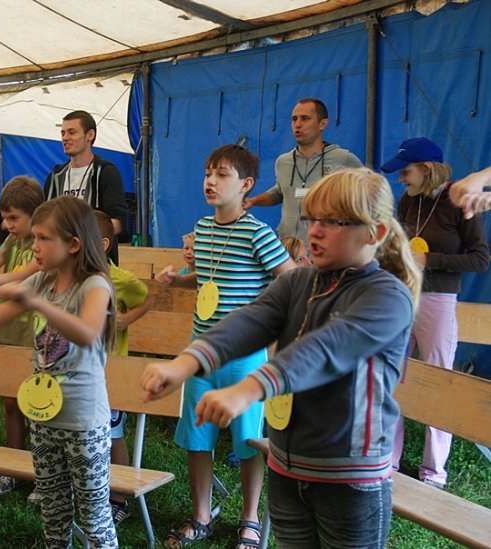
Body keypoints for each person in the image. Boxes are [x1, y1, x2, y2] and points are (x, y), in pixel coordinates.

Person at [143, 168, 422, 549]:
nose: (315, 231)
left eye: (333, 221)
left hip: (349, 478)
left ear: (375, 233)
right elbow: (247, 323)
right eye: (312, 219)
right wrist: (184, 364)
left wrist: (248, 388)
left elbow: (325, 349)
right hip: (287, 469)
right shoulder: (297, 282)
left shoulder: (387, 296)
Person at [0, 196, 119, 548]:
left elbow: (88, 332)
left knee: (94, 516)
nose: (34, 246)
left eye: (44, 238)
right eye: (35, 237)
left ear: (74, 244)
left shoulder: (94, 285)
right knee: (53, 513)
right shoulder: (42, 282)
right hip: (43, 417)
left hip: (84, 421)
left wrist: (35, 302)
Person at [154, 144, 295, 549]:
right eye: (207, 173)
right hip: (200, 354)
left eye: (221, 175)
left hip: (244, 358)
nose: (210, 182)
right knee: (197, 438)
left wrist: (267, 319)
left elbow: (289, 278)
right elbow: (205, 277)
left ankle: (249, 520)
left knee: (248, 442)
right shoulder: (202, 228)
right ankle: (201, 515)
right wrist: (178, 279)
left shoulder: (258, 233)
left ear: (246, 184)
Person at [380, 138, 489, 489]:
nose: (401, 179)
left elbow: (480, 259)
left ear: (426, 170)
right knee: (393, 375)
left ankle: (434, 472)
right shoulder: (408, 201)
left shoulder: (460, 202)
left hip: (439, 299)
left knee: (439, 381)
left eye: (406, 172)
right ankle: (388, 460)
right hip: (404, 296)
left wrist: (431, 260)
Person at [0, 176, 44, 498]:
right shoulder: (12, 241)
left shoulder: (44, 245)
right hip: (6, 333)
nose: (7, 224)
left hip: (33, 338)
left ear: (37, 213)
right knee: (10, 403)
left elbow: (22, 277)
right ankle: (13, 469)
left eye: (14, 217)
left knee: (39, 407)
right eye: (4, 217)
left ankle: (43, 473)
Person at [94, 210, 152, 525]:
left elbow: (148, 299)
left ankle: (118, 499)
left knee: (113, 434)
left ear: (103, 244)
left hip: (112, 373)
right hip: (83, 373)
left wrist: (125, 320)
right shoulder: (71, 277)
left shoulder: (120, 279)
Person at [243, 98, 362, 241]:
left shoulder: (344, 160)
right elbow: (280, 192)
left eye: (305, 119)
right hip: (288, 245)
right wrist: (253, 201)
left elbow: (365, 200)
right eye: (294, 119)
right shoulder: (283, 162)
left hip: (324, 245)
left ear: (322, 124)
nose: (297, 124)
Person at [44, 110, 128, 263]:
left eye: (71, 132)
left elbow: (119, 222)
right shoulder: (56, 176)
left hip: (94, 263)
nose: (65, 138)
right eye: (63, 133)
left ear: (90, 135)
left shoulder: (105, 172)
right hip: (61, 263)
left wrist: (84, 234)